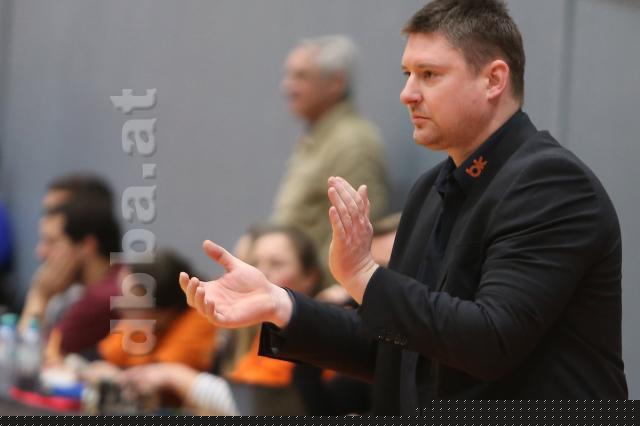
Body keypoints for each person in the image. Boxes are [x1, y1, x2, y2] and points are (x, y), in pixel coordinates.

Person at [180, 0, 628, 414]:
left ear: (494, 79)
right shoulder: (430, 189)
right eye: (407, 74)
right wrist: (281, 304)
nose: (407, 93)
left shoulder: (551, 183)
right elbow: (398, 347)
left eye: (429, 74)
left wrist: (363, 276)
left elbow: (491, 341)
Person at [120, 225, 321, 415]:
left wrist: (170, 374)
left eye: (276, 263)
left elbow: (250, 404)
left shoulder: (305, 331)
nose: (261, 273)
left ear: (309, 277)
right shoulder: (263, 330)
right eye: (254, 263)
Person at [272, 35, 389, 286]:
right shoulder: (319, 137)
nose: (287, 87)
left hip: (317, 296)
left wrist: (326, 294)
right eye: (288, 75)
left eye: (301, 76)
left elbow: (358, 233)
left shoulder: (352, 142)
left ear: (336, 82)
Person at [19, 194, 122, 358]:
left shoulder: (100, 298)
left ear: (87, 245)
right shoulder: (113, 280)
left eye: (51, 242)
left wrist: (38, 296)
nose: (40, 252)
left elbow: (27, 358)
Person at [94, 249, 217, 371]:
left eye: (131, 301)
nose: (118, 304)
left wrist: (116, 375)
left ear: (164, 312)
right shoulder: (141, 320)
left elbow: (164, 375)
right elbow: (106, 356)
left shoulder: (202, 318)